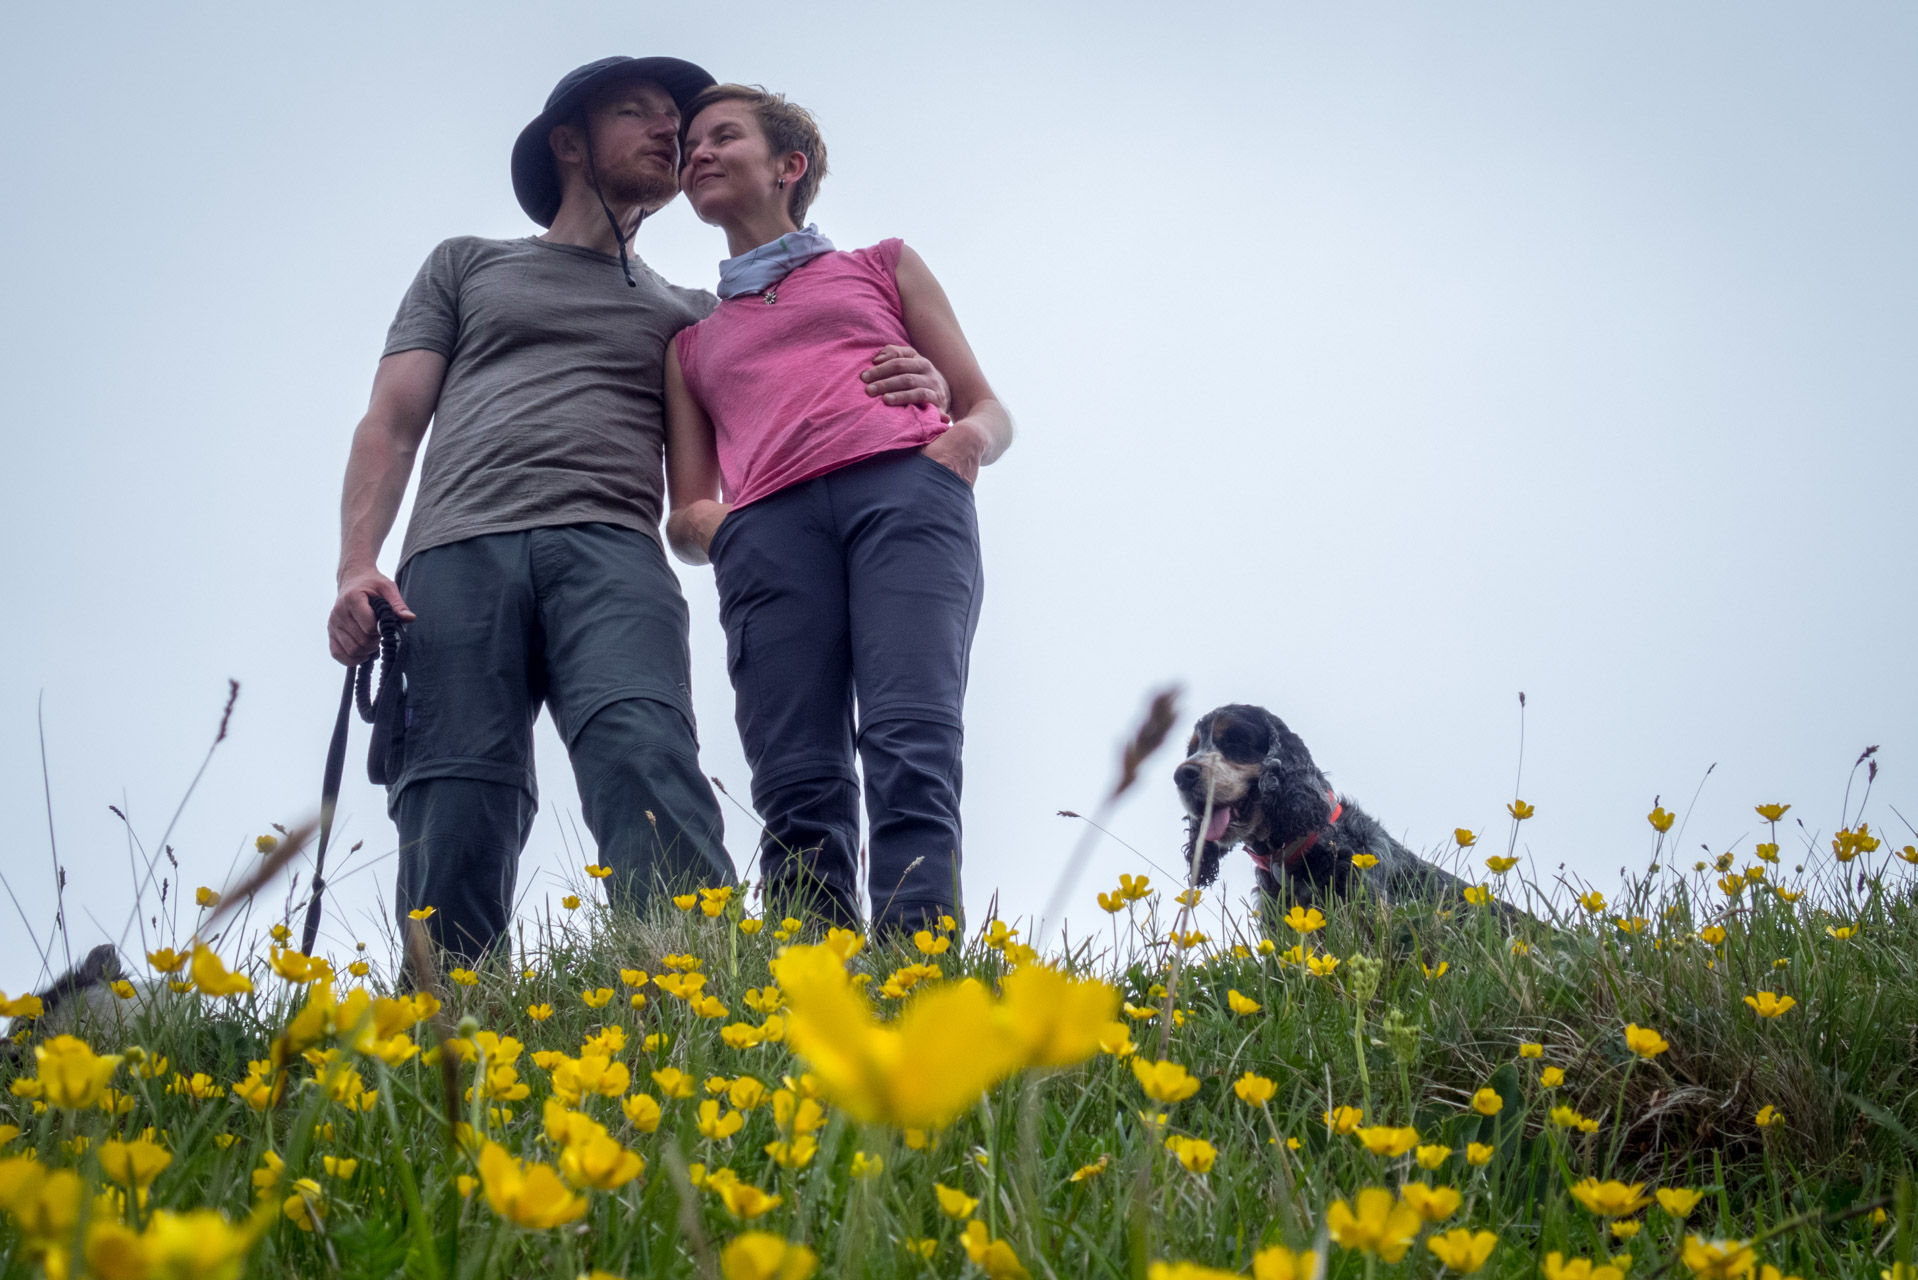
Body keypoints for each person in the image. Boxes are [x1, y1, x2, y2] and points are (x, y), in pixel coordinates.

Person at [326, 58, 951, 961]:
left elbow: (807, 369)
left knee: (645, 757)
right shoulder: (468, 266)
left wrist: (925, 381)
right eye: (638, 114)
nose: (671, 132)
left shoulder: (690, 317)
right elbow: (389, 423)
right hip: (455, 553)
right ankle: (444, 1023)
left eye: (681, 120)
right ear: (569, 144)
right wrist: (357, 564)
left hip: (614, 553)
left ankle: (695, 992)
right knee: (455, 787)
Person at [663, 85, 1012, 936]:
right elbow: (686, 511)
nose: (697, 154)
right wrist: (734, 533)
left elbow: (988, 411)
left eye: (723, 136)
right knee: (795, 773)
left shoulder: (881, 265)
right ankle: (810, 977)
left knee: (911, 739)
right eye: (690, 147)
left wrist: (959, 446)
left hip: (905, 499)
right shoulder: (691, 344)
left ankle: (917, 963)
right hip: (771, 537)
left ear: (791, 166)